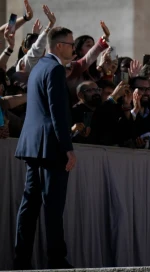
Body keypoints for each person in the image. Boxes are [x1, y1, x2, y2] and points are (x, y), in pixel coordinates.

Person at [13, 27, 77, 269]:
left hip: (32, 146)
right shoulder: (56, 69)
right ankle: (56, 260)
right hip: (51, 147)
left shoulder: (39, 67)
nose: (72, 48)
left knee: (29, 205)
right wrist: (67, 148)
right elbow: (57, 111)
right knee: (52, 205)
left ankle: (21, 260)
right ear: (59, 46)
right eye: (70, 44)